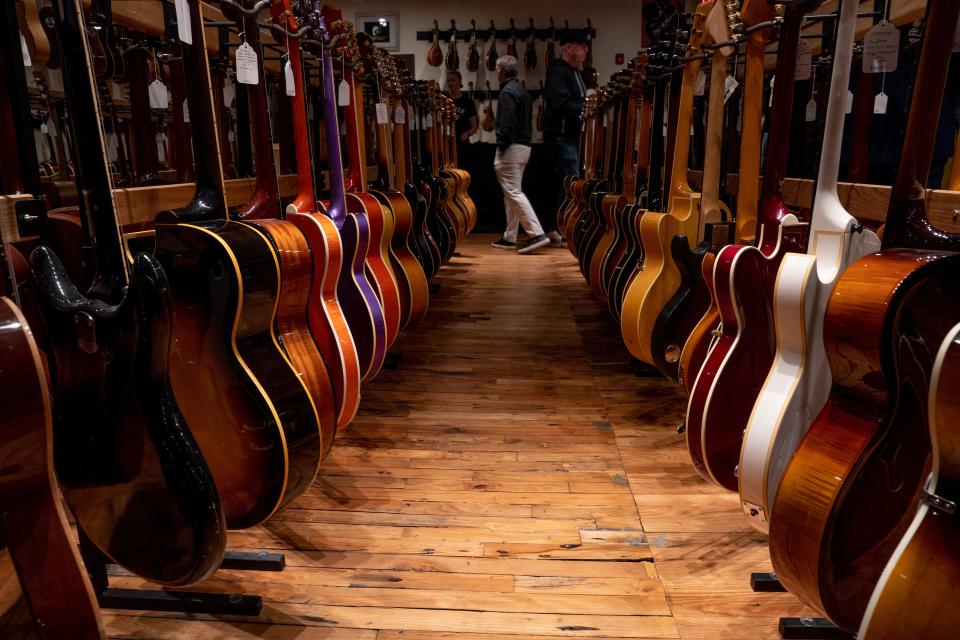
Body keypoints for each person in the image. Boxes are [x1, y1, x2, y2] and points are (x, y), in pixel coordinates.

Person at [490, 55, 550, 255]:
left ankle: (537, 234)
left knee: (514, 193)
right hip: (525, 146)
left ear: (501, 71)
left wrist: (502, 145)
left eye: (497, 70)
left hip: (512, 147)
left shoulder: (507, 92)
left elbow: (507, 123)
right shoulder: (522, 90)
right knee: (511, 194)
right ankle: (509, 237)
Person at [543, 29, 589, 245]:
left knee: (568, 182)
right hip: (561, 137)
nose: (585, 50)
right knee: (569, 182)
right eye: (581, 46)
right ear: (567, 48)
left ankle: (558, 226)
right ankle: (562, 227)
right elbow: (560, 104)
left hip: (571, 137)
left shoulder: (574, 72)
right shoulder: (558, 72)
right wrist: (586, 105)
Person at [445, 71, 478, 143]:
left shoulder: (468, 102)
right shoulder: (444, 101)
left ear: (460, 81)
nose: (450, 83)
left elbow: (474, 127)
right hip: (447, 144)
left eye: (453, 80)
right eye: (448, 81)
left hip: (463, 144)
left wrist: (467, 134)